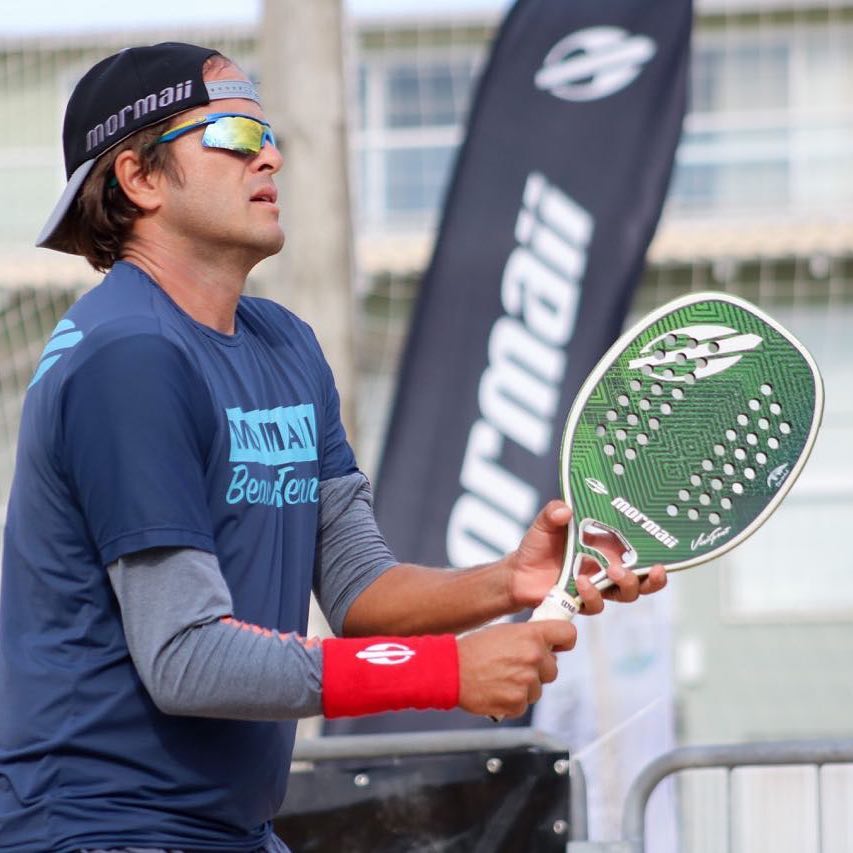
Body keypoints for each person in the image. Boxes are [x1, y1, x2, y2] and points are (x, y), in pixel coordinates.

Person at [0, 42, 666, 852]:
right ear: (139, 179)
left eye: (269, 131)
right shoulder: (128, 355)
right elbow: (185, 657)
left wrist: (511, 581)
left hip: (227, 828)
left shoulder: (285, 345)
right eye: (235, 137)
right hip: (94, 827)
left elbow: (357, 591)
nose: (271, 153)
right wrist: (448, 673)